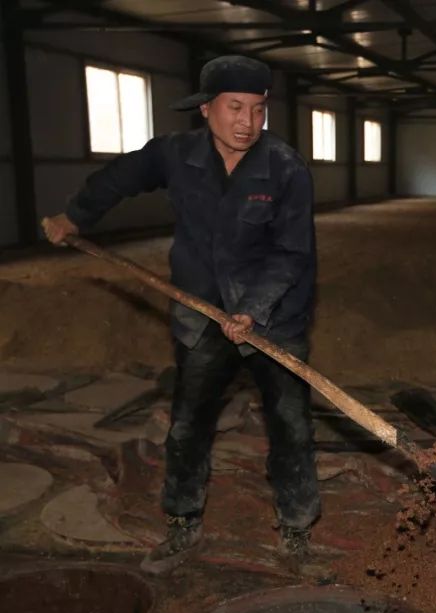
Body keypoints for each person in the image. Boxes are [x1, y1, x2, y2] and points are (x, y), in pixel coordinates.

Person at [41, 55, 320, 575]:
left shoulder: (285, 168)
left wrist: (252, 310)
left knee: (291, 426)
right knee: (189, 425)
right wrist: (73, 216)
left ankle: (297, 529)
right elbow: (119, 177)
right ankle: (183, 522)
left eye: (258, 109)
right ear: (206, 108)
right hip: (201, 314)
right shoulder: (175, 154)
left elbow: (292, 253)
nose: (247, 121)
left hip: (275, 319)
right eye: (235, 107)